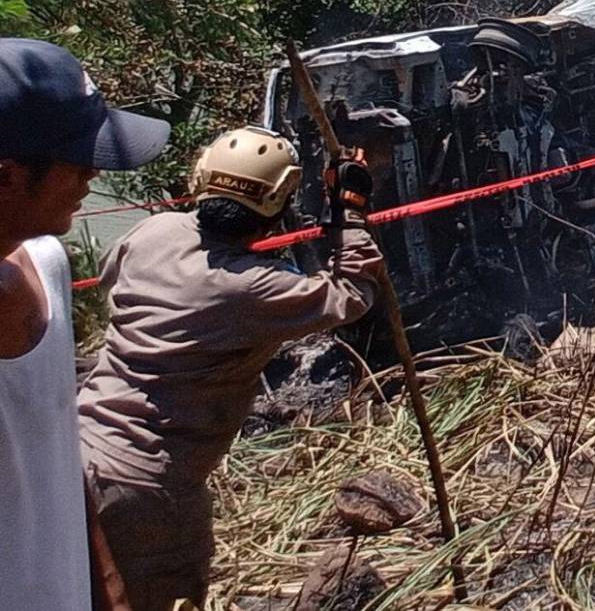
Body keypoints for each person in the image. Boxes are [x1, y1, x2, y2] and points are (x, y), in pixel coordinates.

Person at [78, 126, 384, 611]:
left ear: (201, 179)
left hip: (79, 452)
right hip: (148, 487)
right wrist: (349, 213)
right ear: (280, 203)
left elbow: (111, 276)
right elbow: (351, 295)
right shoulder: (250, 288)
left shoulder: (152, 232)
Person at [1, 38, 169, 611]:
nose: (93, 175)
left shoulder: (47, 260)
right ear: (6, 176)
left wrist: (106, 584)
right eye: (77, 161)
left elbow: (55, 442)